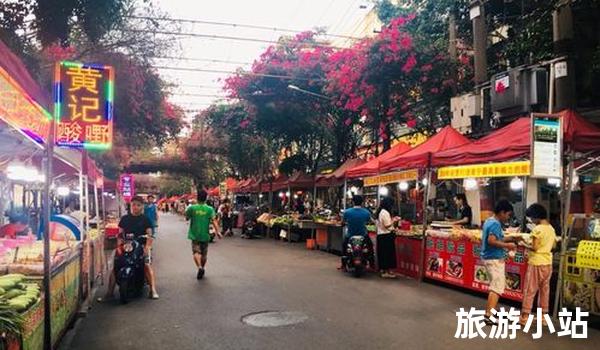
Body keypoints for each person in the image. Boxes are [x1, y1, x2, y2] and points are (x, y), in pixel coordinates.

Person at [104, 196, 159, 300]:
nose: (135, 207)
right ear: (130, 205)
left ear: (142, 207)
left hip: (141, 246)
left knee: (146, 265)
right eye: (134, 204)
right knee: (116, 267)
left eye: (138, 205)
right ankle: (109, 293)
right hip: (127, 246)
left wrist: (147, 247)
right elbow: (120, 234)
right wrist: (119, 246)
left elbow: (150, 235)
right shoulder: (124, 219)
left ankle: (153, 290)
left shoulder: (145, 219)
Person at [481, 199, 521, 325]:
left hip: (489, 257)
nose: (508, 217)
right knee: (497, 287)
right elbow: (491, 241)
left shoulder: (489, 221)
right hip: (493, 258)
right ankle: (489, 315)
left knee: (495, 285)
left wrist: (511, 238)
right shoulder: (495, 224)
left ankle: (492, 310)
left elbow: (498, 238)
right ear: (502, 212)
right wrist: (508, 245)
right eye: (508, 214)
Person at [520, 203, 556, 325]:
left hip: (536, 262)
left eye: (531, 218)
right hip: (548, 263)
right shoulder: (551, 229)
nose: (532, 221)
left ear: (536, 216)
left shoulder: (537, 229)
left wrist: (524, 244)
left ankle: (524, 317)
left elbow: (534, 247)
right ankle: (543, 317)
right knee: (544, 290)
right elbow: (554, 245)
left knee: (529, 290)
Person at [185, 190, 222, 280]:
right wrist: (218, 232)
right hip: (205, 235)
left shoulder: (192, 208)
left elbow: (186, 218)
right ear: (206, 198)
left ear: (197, 197)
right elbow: (214, 221)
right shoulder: (210, 209)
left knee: (196, 252)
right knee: (204, 254)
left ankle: (200, 267)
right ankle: (203, 267)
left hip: (195, 234)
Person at [341, 195, 374, 269]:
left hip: (350, 235)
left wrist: (345, 224)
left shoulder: (347, 212)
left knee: (344, 247)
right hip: (363, 235)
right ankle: (372, 264)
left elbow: (342, 222)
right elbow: (371, 221)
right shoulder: (366, 212)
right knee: (370, 247)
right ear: (362, 203)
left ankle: (343, 265)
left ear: (353, 202)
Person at [375, 197, 399, 278]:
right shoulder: (385, 212)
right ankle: (386, 272)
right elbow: (387, 225)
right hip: (386, 235)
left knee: (382, 254)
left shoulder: (380, 211)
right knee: (387, 254)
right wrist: (394, 220)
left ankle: (383, 270)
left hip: (381, 235)